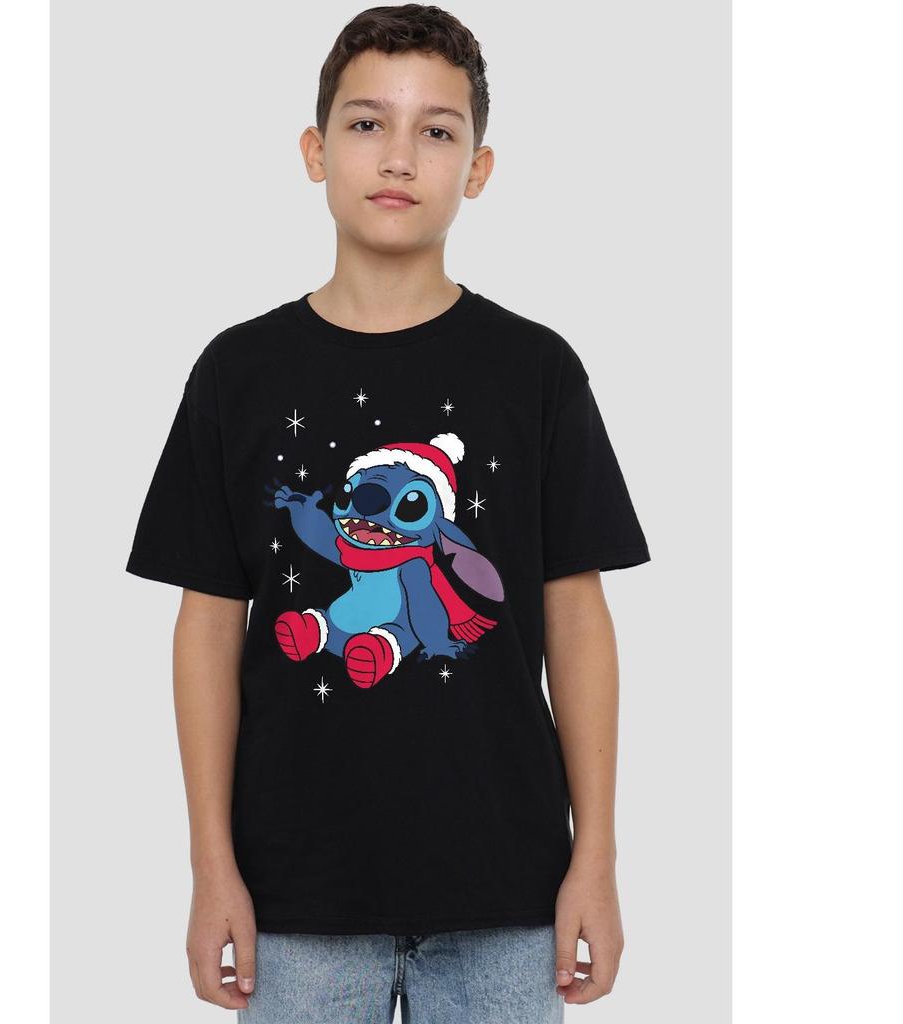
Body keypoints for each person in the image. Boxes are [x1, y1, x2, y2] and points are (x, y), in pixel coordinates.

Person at [124, 5, 650, 1022]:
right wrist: (210, 867)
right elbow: (207, 627)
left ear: (478, 168)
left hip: (509, 895)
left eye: (436, 130)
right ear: (315, 151)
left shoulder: (535, 371)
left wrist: (596, 857)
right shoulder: (236, 372)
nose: (399, 155)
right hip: (291, 900)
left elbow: (577, 620)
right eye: (367, 123)